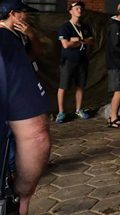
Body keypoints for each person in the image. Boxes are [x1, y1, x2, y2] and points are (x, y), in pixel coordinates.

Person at [1, 12, 51, 215]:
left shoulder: (17, 37)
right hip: (20, 99)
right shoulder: (5, 43)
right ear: (13, 14)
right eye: (23, 11)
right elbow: (36, 135)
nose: (27, 15)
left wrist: (30, 34)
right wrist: (23, 193)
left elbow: (35, 53)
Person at [56, 1, 94, 123]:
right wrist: (82, 41)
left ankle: (78, 110)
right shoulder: (65, 27)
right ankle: (61, 112)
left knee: (80, 86)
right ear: (70, 11)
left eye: (81, 8)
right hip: (68, 61)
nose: (79, 10)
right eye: (76, 8)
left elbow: (91, 42)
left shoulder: (85, 26)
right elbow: (66, 45)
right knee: (63, 87)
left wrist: (77, 40)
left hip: (82, 61)